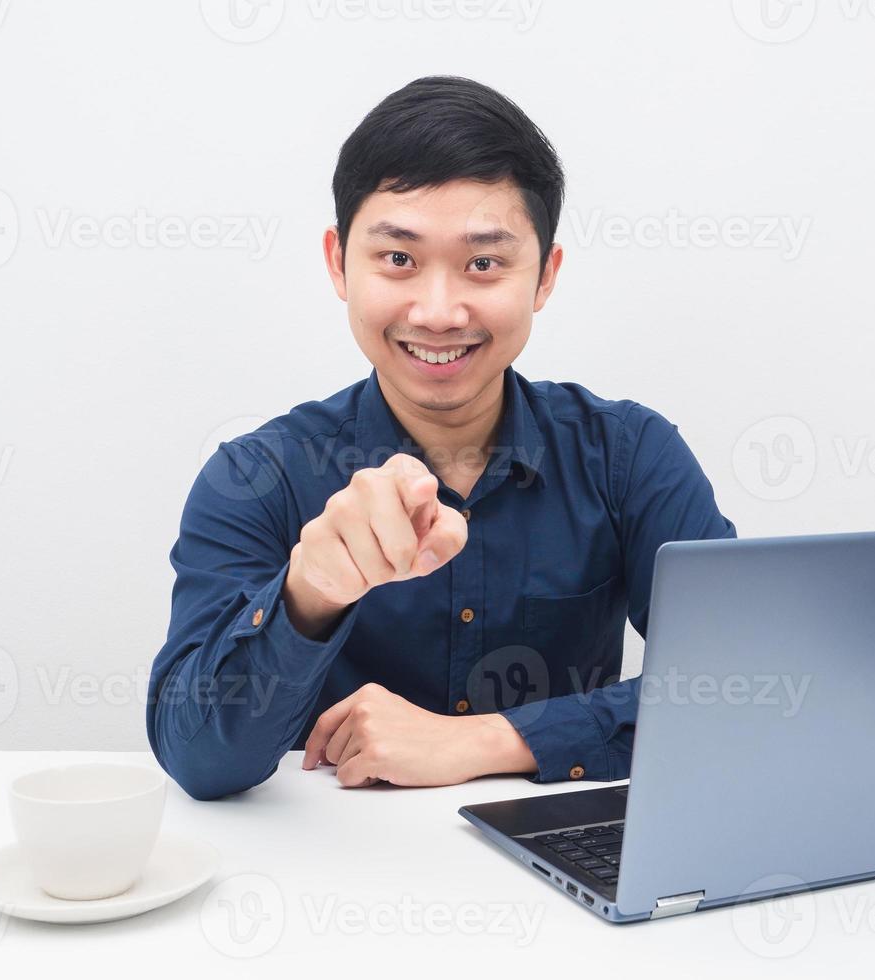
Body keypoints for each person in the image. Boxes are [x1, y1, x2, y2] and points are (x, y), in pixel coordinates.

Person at [145, 75, 735, 801]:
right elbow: (199, 759)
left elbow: (743, 684)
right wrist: (310, 592)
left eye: (483, 264)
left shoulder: (628, 457)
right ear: (338, 263)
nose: (437, 311)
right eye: (398, 259)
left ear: (544, 276)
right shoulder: (256, 476)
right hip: (327, 873)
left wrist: (486, 740)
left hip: (562, 867)